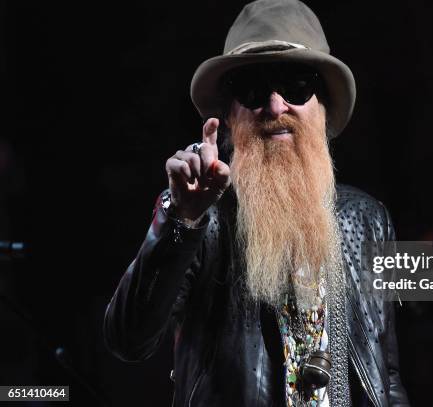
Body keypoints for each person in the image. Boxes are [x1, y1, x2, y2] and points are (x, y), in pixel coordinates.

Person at [104, 0, 410, 406]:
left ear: (322, 107)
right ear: (230, 115)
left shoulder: (367, 219)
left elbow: (385, 377)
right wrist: (182, 222)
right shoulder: (199, 217)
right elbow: (128, 339)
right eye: (253, 89)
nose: (276, 105)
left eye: (297, 85)